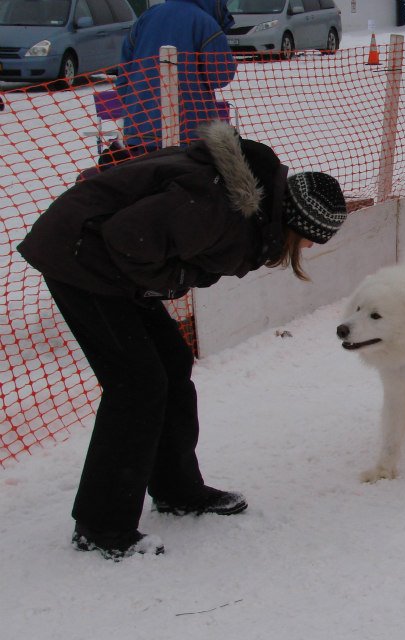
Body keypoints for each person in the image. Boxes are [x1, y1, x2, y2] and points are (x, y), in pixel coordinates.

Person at [16, 122, 347, 560]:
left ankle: (176, 489)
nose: (305, 245)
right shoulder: (216, 207)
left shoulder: (246, 205)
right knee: (136, 384)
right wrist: (173, 282)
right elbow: (127, 240)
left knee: (171, 364)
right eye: (307, 237)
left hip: (111, 260)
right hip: (80, 257)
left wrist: (164, 280)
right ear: (293, 221)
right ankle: (101, 526)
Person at [115, 0, 238, 156]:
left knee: (145, 179)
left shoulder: (146, 18)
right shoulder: (205, 23)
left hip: (140, 130)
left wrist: (136, 108)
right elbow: (219, 76)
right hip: (190, 131)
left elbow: (123, 76)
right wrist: (230, 65)